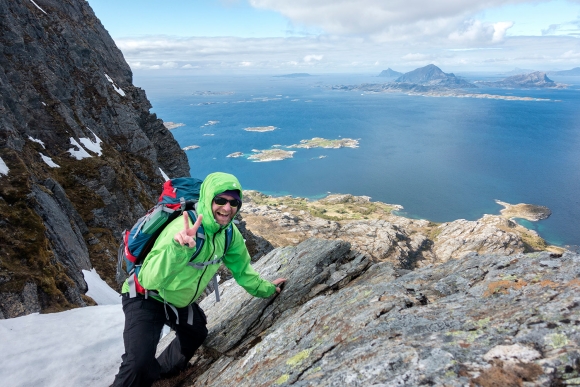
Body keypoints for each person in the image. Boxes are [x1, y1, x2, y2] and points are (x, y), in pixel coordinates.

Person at [112, 172, 286, 387]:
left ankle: (163, 373)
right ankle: (142, 374)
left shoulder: (229, 234)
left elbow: (243, 271)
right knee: (137, 364)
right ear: (208, 199)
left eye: (234, 202)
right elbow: (148, 279)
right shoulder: (182, 228)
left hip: (178, 300)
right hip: (144, 296)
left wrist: (267, 289)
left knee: (196, 333)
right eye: (220, 200)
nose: (227, 207)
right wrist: (179, 249)